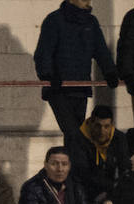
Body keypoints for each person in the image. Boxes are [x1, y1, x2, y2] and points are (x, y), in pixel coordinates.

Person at [33, 0, 118, 140]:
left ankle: (73, 161)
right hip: (58, 89)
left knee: (76, 134)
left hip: (80, 88)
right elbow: (43, 53)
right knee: (74, 134)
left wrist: (110, 72)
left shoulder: (91, 22)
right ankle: (74, 161)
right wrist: (48, 76)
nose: (88, 1)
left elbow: (101, 50)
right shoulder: (54, 20)